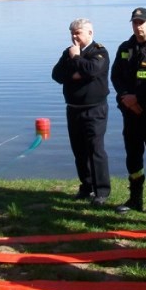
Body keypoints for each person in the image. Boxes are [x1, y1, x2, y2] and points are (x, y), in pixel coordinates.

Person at [110, 7, 146, 214]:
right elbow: (116, 76)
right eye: (135, 22)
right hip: (130, 113)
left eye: (142, 22)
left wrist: (138, 98)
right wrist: (126, 97)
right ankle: (135, 199)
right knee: (133, 157)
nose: (138, 26)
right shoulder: (125, 48)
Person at [52, 18, 111, 205]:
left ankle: (101, 191)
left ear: (90, 33)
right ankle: (86, 186)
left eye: (78, 32)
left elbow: (92, 70)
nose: (74, 36)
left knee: (96, 149)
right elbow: (57, 75)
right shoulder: (68, 52)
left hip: (94, 110)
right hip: (73, 109)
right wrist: (75, 73)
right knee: (79, 150)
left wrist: (77, 58)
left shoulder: (99, 51)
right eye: (72, 33)